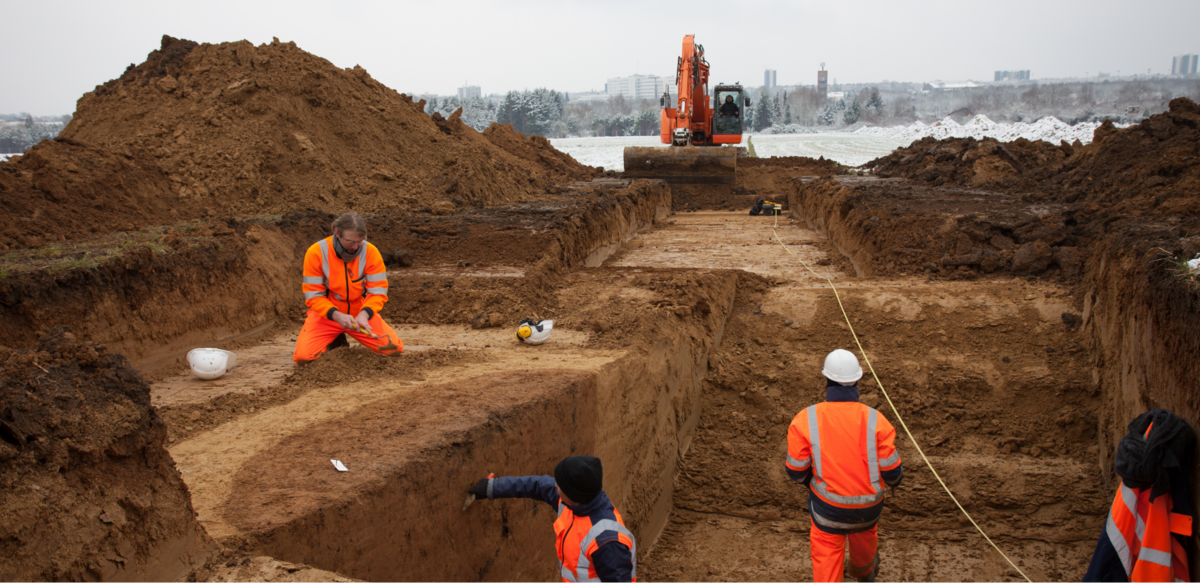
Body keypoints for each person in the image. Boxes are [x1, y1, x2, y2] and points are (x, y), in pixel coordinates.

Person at [785, 349, 902, 583]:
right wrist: (893, 483)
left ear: (825, 382)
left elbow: (796, 470)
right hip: (869, 510)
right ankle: (863, 571)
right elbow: (892, 471)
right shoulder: (876, 419)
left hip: (828, 510)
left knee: (827, 555)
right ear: (857, 381)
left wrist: (813, 484)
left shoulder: (805, 418)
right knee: (865, 540)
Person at [466, 455, 636, 583]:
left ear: (573, 494)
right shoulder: (574, 501)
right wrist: (492, 487)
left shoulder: (607, 541)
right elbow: (535, 485)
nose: (555, 485)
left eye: (560, 484)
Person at [293, 212, 403, 364]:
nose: (355, 246)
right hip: (327, 313)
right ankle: (335, 340)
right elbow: (313, 296)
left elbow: (378, 292)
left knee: (393, 349)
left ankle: (343, 331)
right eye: (350, 241)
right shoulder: (316, 252)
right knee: (304, 358)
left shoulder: (370, 252)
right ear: (337, 233)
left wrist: (365, 314)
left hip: (359, 311)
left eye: (360, 241)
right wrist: (337, 316)